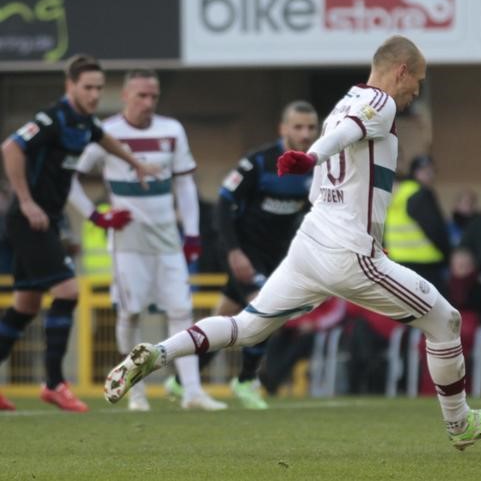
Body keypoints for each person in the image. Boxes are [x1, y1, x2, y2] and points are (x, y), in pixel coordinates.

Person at [104, 35, 481, 449]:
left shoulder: (341, 104)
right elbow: (343, 139)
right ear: (402, 71)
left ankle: (158, 354)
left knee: (246, 327)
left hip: (312, 244)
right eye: (418, 81)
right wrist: (310, 158)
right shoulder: (381, 103)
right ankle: (460, 424)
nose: (416, 91)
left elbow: (318, 190)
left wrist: (349, 211)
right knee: (445, 321)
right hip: (347, 254)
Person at [0, 54, 157, 412]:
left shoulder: (85, 124)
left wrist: (137, 163)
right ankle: (54, 382)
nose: (94, 94)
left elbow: (105, 139)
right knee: (68, 292)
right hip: (29, 220)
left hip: (47, 221)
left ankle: (50, 383)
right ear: (69, 86)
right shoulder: (51, 118)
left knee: (25, 306)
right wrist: (25, 201)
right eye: (87, 87)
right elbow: (10, 148)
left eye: (99, 88)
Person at [69, 68, 225, 411]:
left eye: (153, 96)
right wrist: (97, 216)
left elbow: (184, 183)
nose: (148, 102)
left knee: (181, 310)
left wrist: (194, 233)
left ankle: (192, 391)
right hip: (128, 243)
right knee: (131, 312)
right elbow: (71, 180)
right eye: (141, 95)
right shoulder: (106, 132)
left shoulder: (171, 130)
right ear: (125, 96)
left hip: (167, 240)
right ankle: (135, 392)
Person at [163, 100, 318, 409]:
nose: (304, 134)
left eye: (311, 128)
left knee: (225, 320)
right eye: (297, 127)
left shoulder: (317, 167)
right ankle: (246, 379)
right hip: (243, 251)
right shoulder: (258, 163)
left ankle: (181, 381)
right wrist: (234, 252)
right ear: (283, 129)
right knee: (266, 310)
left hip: (278, 256)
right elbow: (223, 205)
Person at [385, 155, 450, 293]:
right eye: (426, 172)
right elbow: (435, 229)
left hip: (398, 262)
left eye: (433, 172)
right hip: (426, 264)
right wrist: (448, 255)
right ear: (414, 173)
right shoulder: (420, 193)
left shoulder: (399, 193)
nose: (431, 176)